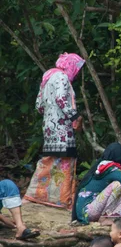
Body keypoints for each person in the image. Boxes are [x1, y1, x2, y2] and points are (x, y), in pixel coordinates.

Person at [24, 53, 85, 209]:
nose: (77, 72)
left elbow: (39, 104)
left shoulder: (48, 75)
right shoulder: (63, 77)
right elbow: (61, 98)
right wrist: (75, 116)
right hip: (62, 126)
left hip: (49, 126)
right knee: (66, 161)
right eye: (76, 68)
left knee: (48, 159)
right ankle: (63, 200)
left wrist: (51, 115)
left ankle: (36, 194)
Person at [72, 142, 121, 229]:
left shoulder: (101, 166)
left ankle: (120, 219)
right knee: (118, 185)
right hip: (88, 212)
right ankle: (104, 219)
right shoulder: (112, 169)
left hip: (83, 212)